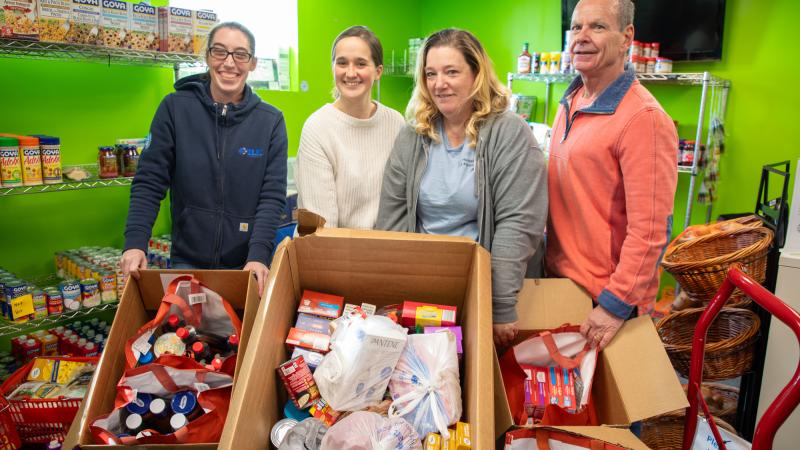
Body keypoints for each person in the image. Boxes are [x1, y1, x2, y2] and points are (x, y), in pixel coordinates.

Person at [376, 28, 547, 348]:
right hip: (425, 288)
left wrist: (500, 304)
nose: (439, 83)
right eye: (431, 73)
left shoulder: (508, 133)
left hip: (484, 285)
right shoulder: (413, 135)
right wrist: (396, 290)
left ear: (476, 74)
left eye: (451, 71)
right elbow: (393, 216)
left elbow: (519, 223)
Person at [547, 0, 678, 349]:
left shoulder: (643, 119)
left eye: (597, 27)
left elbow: (650, 231)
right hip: (563, 285)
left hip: (604, 303)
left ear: (626, 38)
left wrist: (614, 306)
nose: (582, 37)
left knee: (605, 403)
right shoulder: (571, 100)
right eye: (576, 28)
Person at [121, 22, 287, 296]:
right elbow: (149, 182)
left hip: (246, 266)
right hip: (186, 263)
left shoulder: (270, 121)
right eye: (220, 52)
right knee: (185, 337)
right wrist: (135, 243)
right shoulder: (174, 108)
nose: (229, 63)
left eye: (240, 54)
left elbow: (271, 197)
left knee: (244, 338)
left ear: (253, 63)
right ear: (208, 56)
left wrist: (258, 255)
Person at [295, 26, 404, 229]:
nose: (350, 73)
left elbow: (401, 203)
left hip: (387, 250)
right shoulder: (318, 128)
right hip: (333, 253)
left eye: (361, 64)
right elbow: (321, 227)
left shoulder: (396, 123)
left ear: (378, 71)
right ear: (333, 67)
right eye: (342, 63)